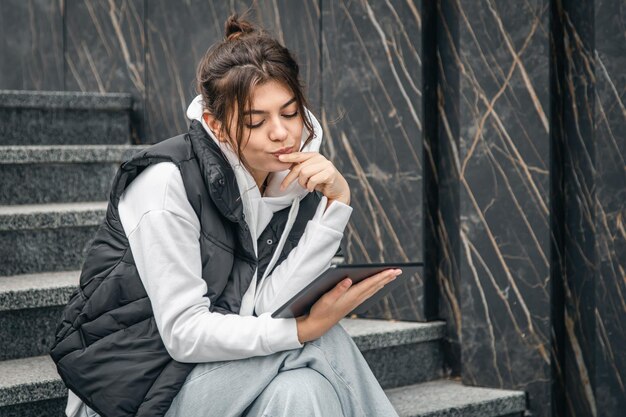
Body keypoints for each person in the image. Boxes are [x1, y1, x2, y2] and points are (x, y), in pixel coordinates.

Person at [50, 13, 402, 417]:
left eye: (289, 114)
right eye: (256, 121)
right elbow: (184, 334)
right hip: (135, 390)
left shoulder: (290, 181)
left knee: (302, 392)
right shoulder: (168, 182)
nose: (282, 133)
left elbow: (266, 309)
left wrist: (334, 207)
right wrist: (303, 329)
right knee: (321, 340)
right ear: (216, 126)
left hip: (219, 374)